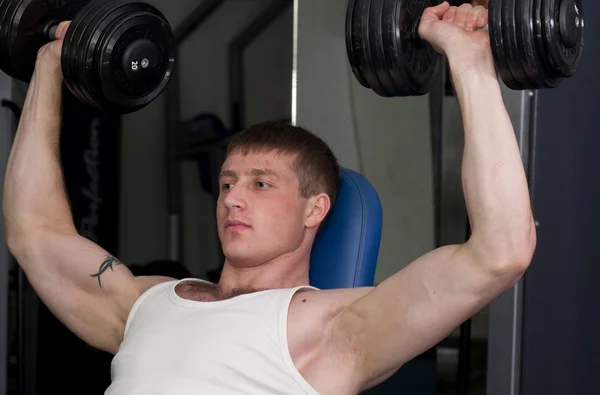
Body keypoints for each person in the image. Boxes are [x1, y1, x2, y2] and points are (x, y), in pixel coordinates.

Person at [3, 2, 536, 394]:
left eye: (261, 184)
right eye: (228, 183)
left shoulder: (334, 331)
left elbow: (500, 251)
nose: (233, 200)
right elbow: (35, 230)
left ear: (315, 209)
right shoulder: (143, 303)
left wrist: (470, 63)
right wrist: (50, 63)